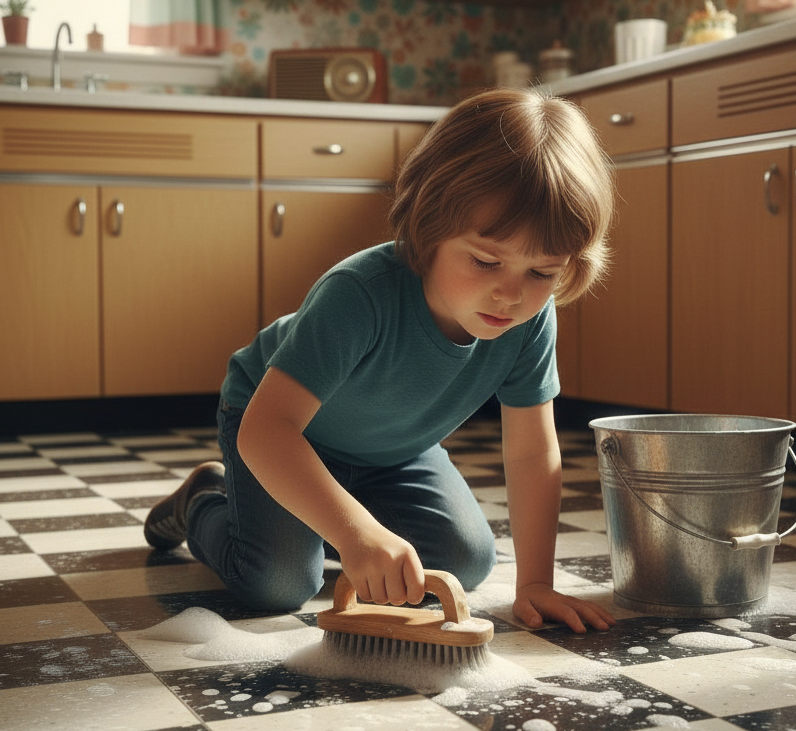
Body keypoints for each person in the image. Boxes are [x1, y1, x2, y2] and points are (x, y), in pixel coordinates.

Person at [144, 87, 617, 633]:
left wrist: (535, 582)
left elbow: (533, 451)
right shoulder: (360, 293)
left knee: (465, 562)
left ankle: (325, 514)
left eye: (542, 273)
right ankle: (205, 496)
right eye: (487, 262)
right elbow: (266, 430)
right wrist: (355, 535)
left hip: (393, 449)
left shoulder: (530, 320)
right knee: (278, 583)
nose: (511, 295)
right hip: (277, 427)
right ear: (430, 222)